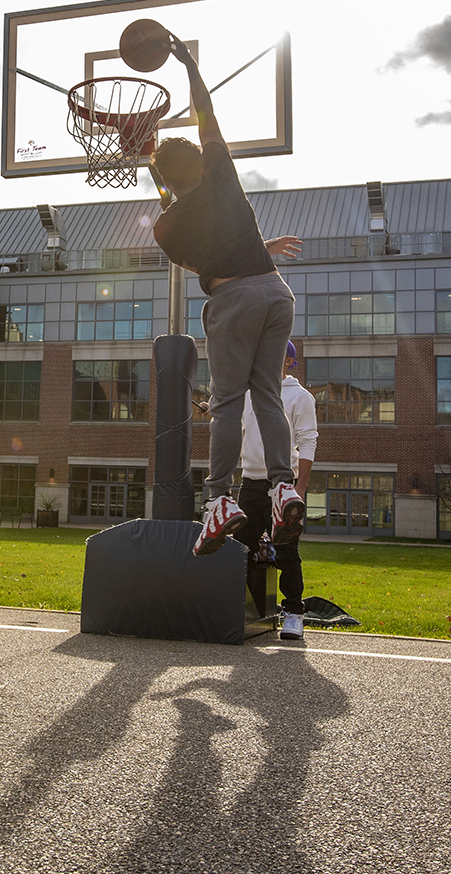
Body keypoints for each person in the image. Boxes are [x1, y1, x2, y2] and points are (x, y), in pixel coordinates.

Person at [149, 33, 305, 556]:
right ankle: (283, 488)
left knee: (226, 405)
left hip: (234, 301)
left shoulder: (166, 228)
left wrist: (157, 178)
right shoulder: (223, 171)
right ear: (201, 159)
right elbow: (204, 110)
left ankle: (218, 499)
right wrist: (188, 62)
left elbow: (208, 259)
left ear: (164, 181)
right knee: (268, 397)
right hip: (276, 294)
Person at [233, 342, 317, 640]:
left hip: (283, 485)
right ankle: (240, 610)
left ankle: (293, 613)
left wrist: (301, 488)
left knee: (286, 551)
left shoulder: (300, 397)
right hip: (250, 482)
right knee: (241, 549)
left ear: (288, 361)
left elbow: (308, 441)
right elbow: (236, 425)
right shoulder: (248, 395)